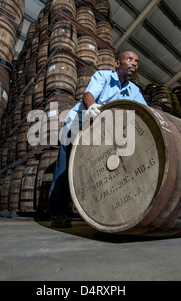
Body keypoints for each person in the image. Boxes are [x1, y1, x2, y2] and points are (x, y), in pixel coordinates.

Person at [48, 50, 148, 228]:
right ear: (117, 63)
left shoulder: (133, 91)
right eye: (130, 59)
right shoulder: (102, 77)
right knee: (65, 170)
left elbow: (146, 112)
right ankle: (57, 213)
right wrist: (92, 106)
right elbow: (88, 95)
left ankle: (99, 214)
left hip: (97, 135)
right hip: (77, 126)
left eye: (137, 61)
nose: (134, 64)